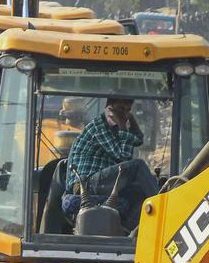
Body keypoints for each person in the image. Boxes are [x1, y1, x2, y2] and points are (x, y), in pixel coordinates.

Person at [64, 97, 159, 230]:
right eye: (121, 110)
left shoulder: (114, 129)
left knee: (139, 191)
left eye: (128, 110)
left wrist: (129, 118)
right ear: (109, 110)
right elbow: (123, 156)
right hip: (86, 184)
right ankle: (165, 205)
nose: (124, 114)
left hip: (102, 183)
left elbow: (137, 140)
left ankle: (129, 231)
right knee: (138, 166)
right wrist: (121, 123)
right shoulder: (99, 127)